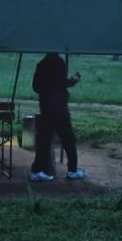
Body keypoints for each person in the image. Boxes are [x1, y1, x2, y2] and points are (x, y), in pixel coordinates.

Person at [29, 52, 86, 182]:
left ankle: (37, 170)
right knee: (68, 139)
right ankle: (73, 170)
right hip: (59, 107)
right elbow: (62, 83)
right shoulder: (59, 63)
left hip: (45, 106)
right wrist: (73, 80)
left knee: (44, 139)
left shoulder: (41, 64)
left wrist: (47, 90)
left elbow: (35, 87)